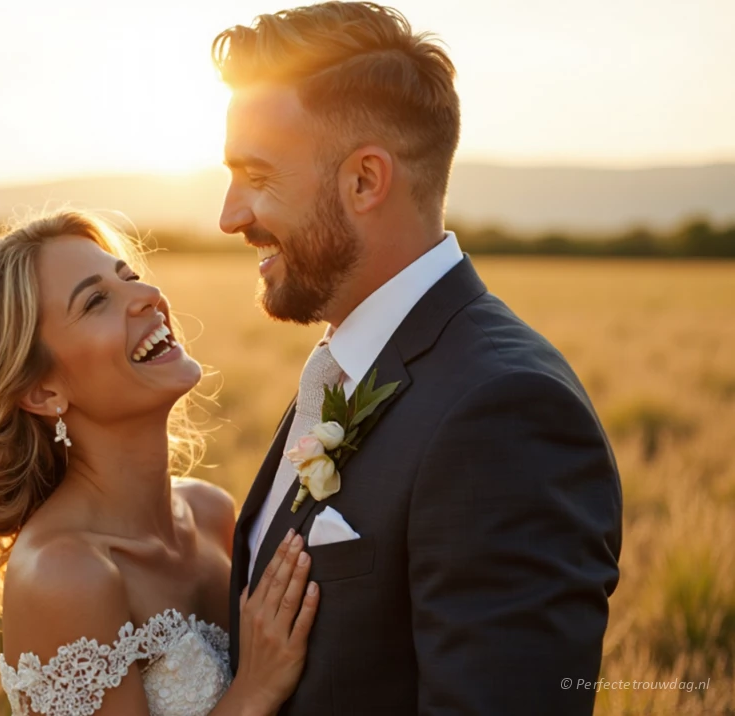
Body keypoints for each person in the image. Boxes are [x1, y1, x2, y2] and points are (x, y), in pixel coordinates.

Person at [214, 2, 623, 714]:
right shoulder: (352, 363)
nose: (229, 215)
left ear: (365, 181)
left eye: (257, 175)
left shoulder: (503, 415)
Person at [0, 211, 318, 716]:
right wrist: (254, 690)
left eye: (128, 276)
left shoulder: (210, 513)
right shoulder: (63, 574)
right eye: (96, 300)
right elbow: (258, 684)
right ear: (43, 390)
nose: (148, 296)